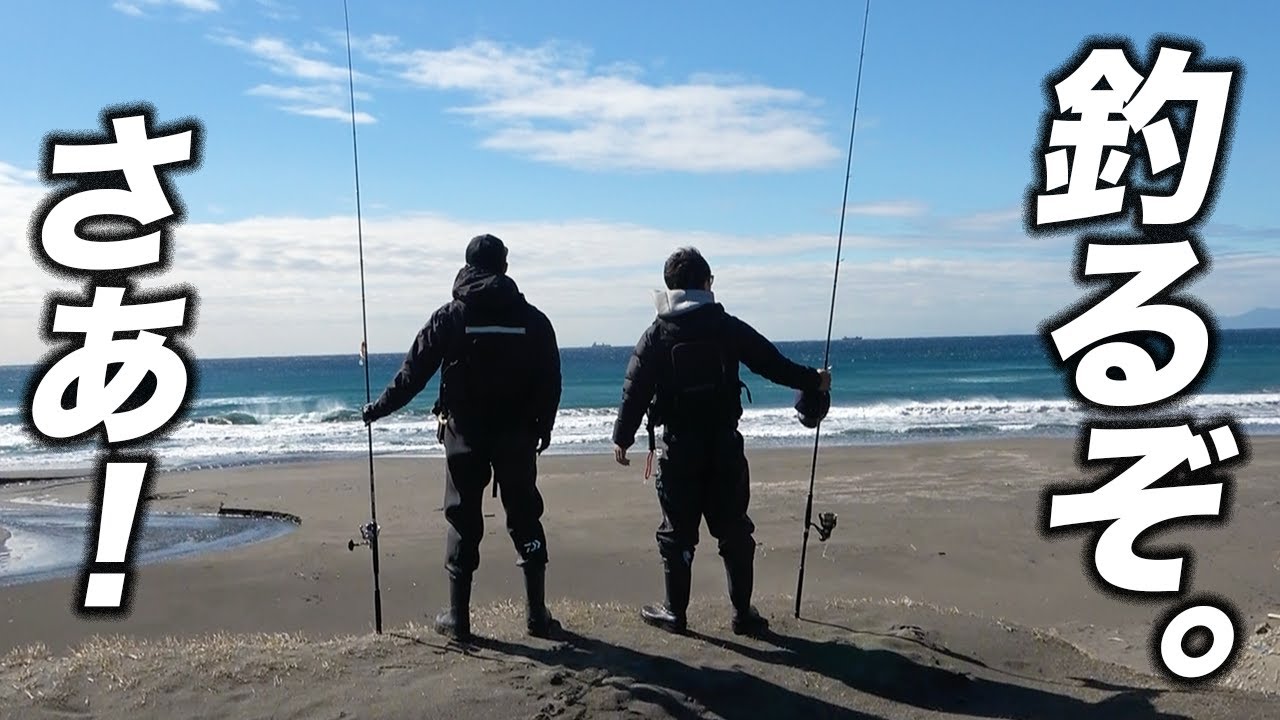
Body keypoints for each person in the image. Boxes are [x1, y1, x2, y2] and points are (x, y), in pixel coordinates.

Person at [611, 247, 832, 637]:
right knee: (734, 531)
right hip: (724, 446)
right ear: (706, 283)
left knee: (677, 534)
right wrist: (814, 380)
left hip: (679, 449)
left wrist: (622, 438)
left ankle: (675, 613)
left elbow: (635, 389)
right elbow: (771, 363)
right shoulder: (725, 326)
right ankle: (742, 614)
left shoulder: (657, 333)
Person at [362, 233, 563, 642]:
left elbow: (412, 374)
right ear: (504, 267)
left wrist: (377, 409)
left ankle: (459, 619)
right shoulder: (533, 320)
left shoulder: (450, 317)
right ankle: (536, 616)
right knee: (525, 515)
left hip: (464, 434)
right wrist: (544, 425)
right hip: (517, 436)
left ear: (468, 267)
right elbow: (551, 379)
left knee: (462, 518)